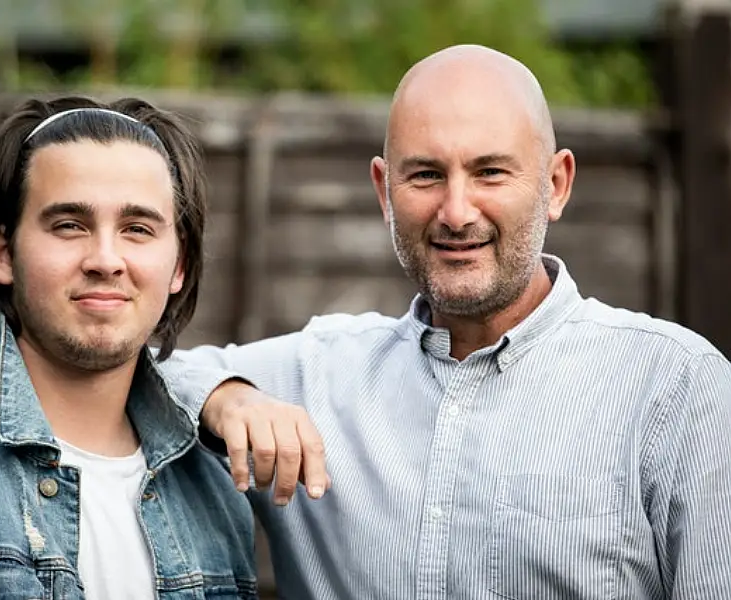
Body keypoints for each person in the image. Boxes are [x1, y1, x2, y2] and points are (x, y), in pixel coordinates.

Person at [159, 44, 731, 599]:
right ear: (385, 191)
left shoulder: (677, 388)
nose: (456, 213)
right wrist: (229, 398)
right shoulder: (314, 377)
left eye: (490, 173)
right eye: (427, 175)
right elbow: (141, 375)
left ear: (555, 186)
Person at [0, 96, 258, 599]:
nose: (106, 259)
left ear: (179, 267)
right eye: (69, 225)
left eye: (137, 229)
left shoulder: (216, 493)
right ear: (3, 254)